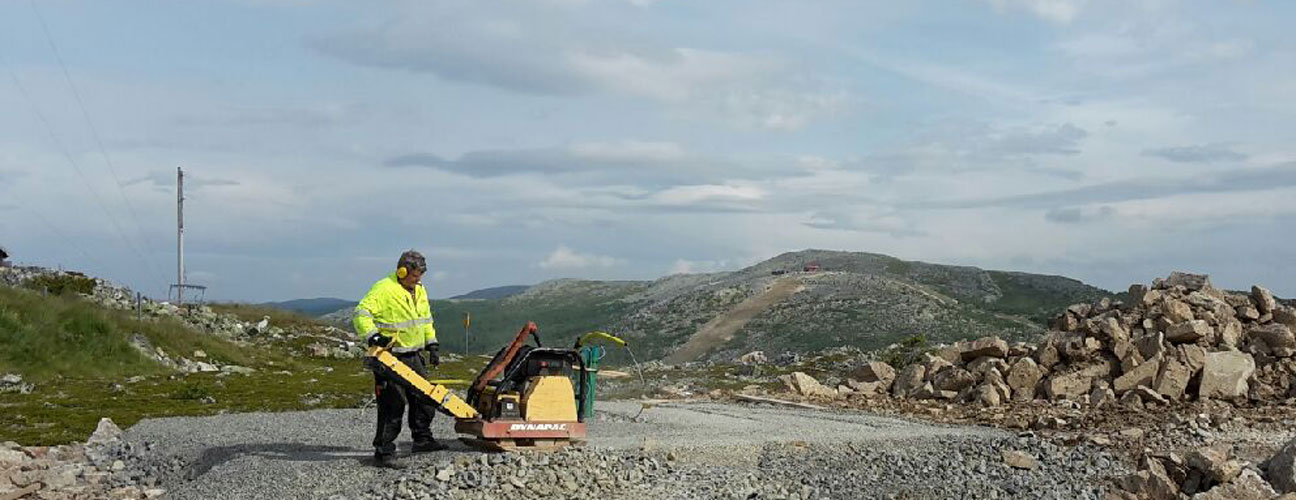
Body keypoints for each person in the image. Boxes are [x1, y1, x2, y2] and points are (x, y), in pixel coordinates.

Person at [354, 250, 443, 466]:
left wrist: (432, 343)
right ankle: (384, 451)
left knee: (425, 398)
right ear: (402, 271)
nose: (418, 279)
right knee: (392, 404)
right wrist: (373, 336)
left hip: (414, 355)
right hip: (390, 357)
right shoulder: (384, 289)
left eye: (420, 275)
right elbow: (361, 313)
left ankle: (422, 439)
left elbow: (425, 319)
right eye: (414, 275)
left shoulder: (420, 289)